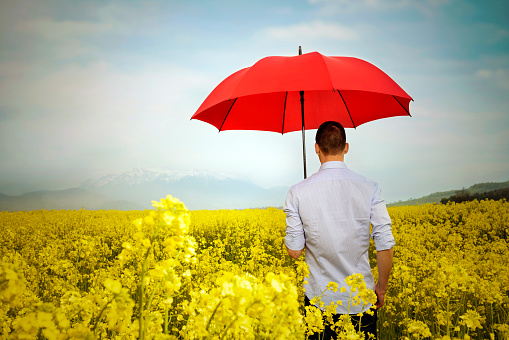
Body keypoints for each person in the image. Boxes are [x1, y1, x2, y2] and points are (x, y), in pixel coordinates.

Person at [284, 121, 395, 340]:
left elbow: (294, 252)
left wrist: (306, 230)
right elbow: (385, 243)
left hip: (319, 301)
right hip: (360, 300)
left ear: (316, 148)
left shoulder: (297, 192)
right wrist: (380, 288)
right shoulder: (369, 187)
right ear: (346, 147)